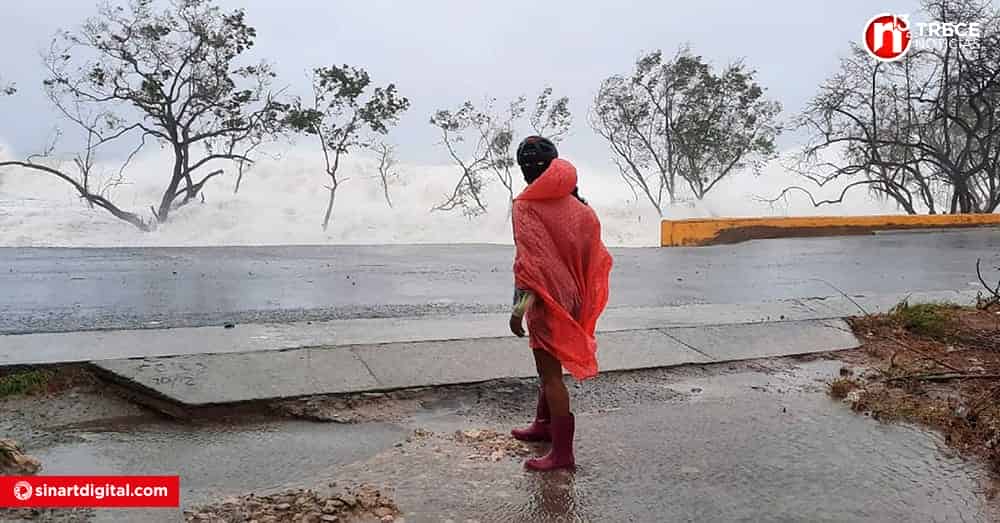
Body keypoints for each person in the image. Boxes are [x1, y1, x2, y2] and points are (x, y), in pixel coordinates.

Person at [508, 136, 613, 471]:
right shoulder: (583, 209)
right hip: (574, 300)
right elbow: (593, 260)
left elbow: (530, 268)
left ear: (525, 170)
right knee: (550, 371)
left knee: (550, 375)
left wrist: (517, 312)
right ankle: (544, 425)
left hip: (545, 302)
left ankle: (562, 454)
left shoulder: (526, 207)